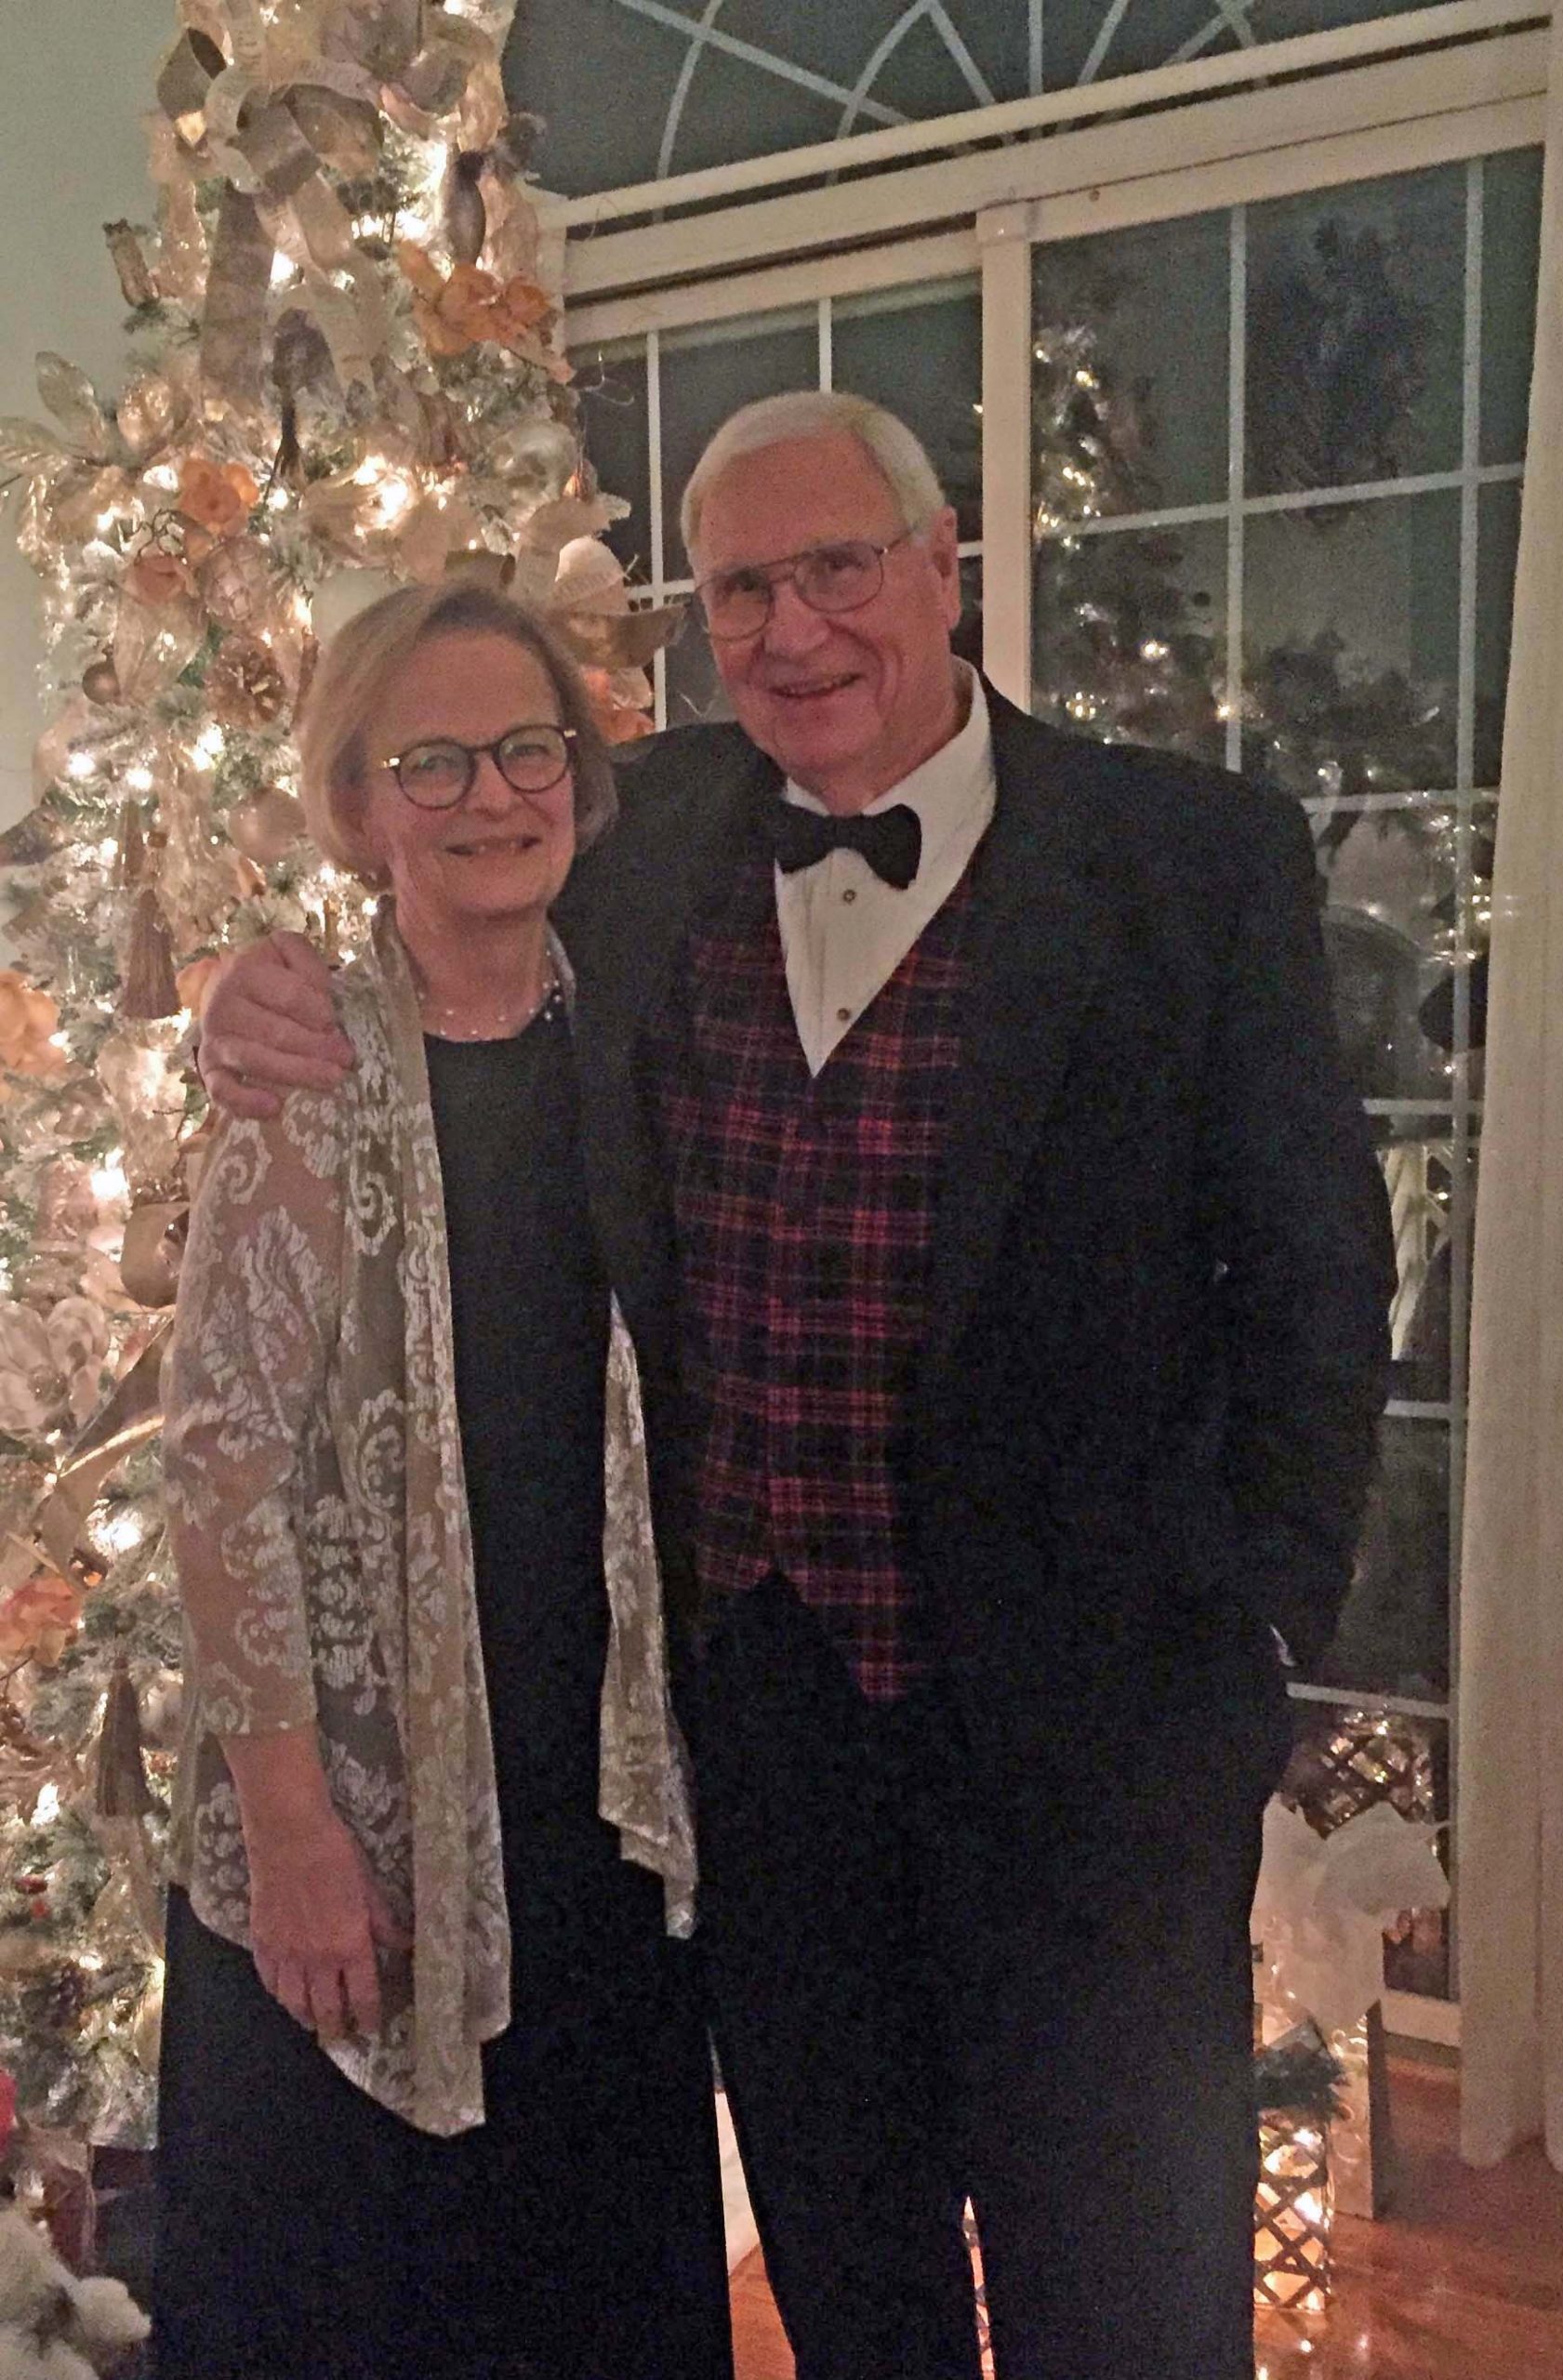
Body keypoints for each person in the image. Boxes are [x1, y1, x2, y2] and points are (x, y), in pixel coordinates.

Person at [201, 392, 1396, 2380]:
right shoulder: (641, 827)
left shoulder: (1188, 856)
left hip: (1095, 1755)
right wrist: (237, 989)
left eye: (839, 564)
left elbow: (1316, 1275)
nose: (792, 626)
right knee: (852, 2289)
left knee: (1126, 2303)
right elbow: (423, 885)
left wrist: (1257, 1625)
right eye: (741, 587)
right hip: (762, 1754)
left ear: (941, 566)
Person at [156, 582, 732, 2380]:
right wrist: (295, 1833)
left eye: (526, 749)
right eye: (432, 764)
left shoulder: (640, 1034)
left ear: (581, 770)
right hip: (370, 1819)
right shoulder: (311, 1078)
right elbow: (219, 1471)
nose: (493, 795)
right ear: (357, 806)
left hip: (597, 1810)